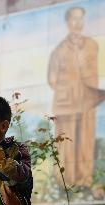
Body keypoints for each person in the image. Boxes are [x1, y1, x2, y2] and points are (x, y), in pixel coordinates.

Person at [48, 7, 99, 185]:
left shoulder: (92, 45)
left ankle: (86, 180)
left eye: (81, 19)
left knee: (86, 142)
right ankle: (65, 183)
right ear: (68, 22)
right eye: (74, 19)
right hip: (66, 105)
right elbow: (52, 80)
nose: (78, 23)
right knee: (65, 144)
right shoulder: (58, 51)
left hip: (87, 102)